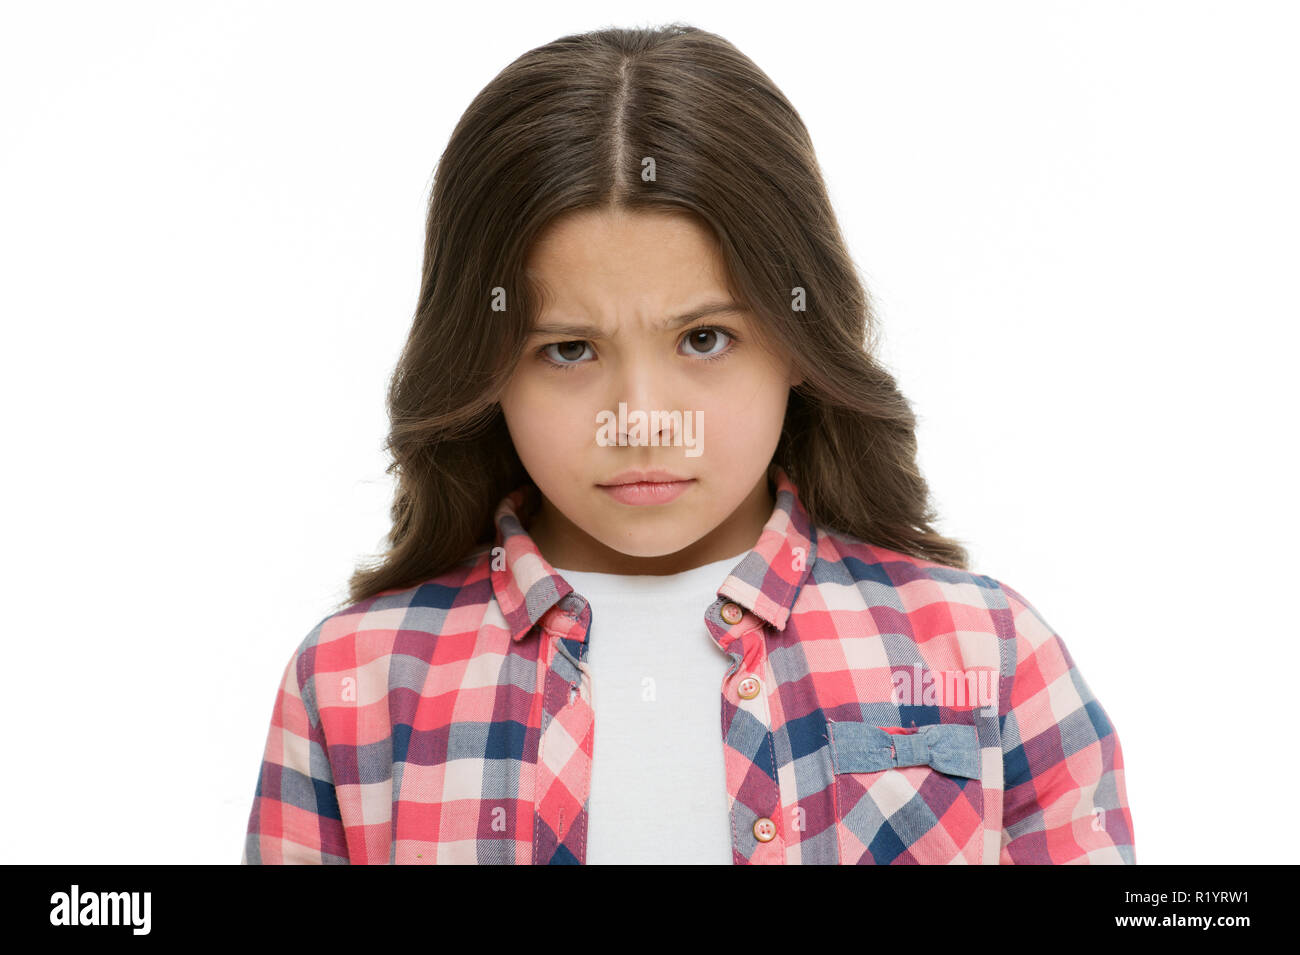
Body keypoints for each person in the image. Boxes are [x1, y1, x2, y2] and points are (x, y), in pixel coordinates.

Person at [241, 23, 1134, 864]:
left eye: (703, 339)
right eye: (569, 349)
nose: (640, 417)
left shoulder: (990, 656)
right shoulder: (353, 683)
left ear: (798, 339)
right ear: (483, 366)